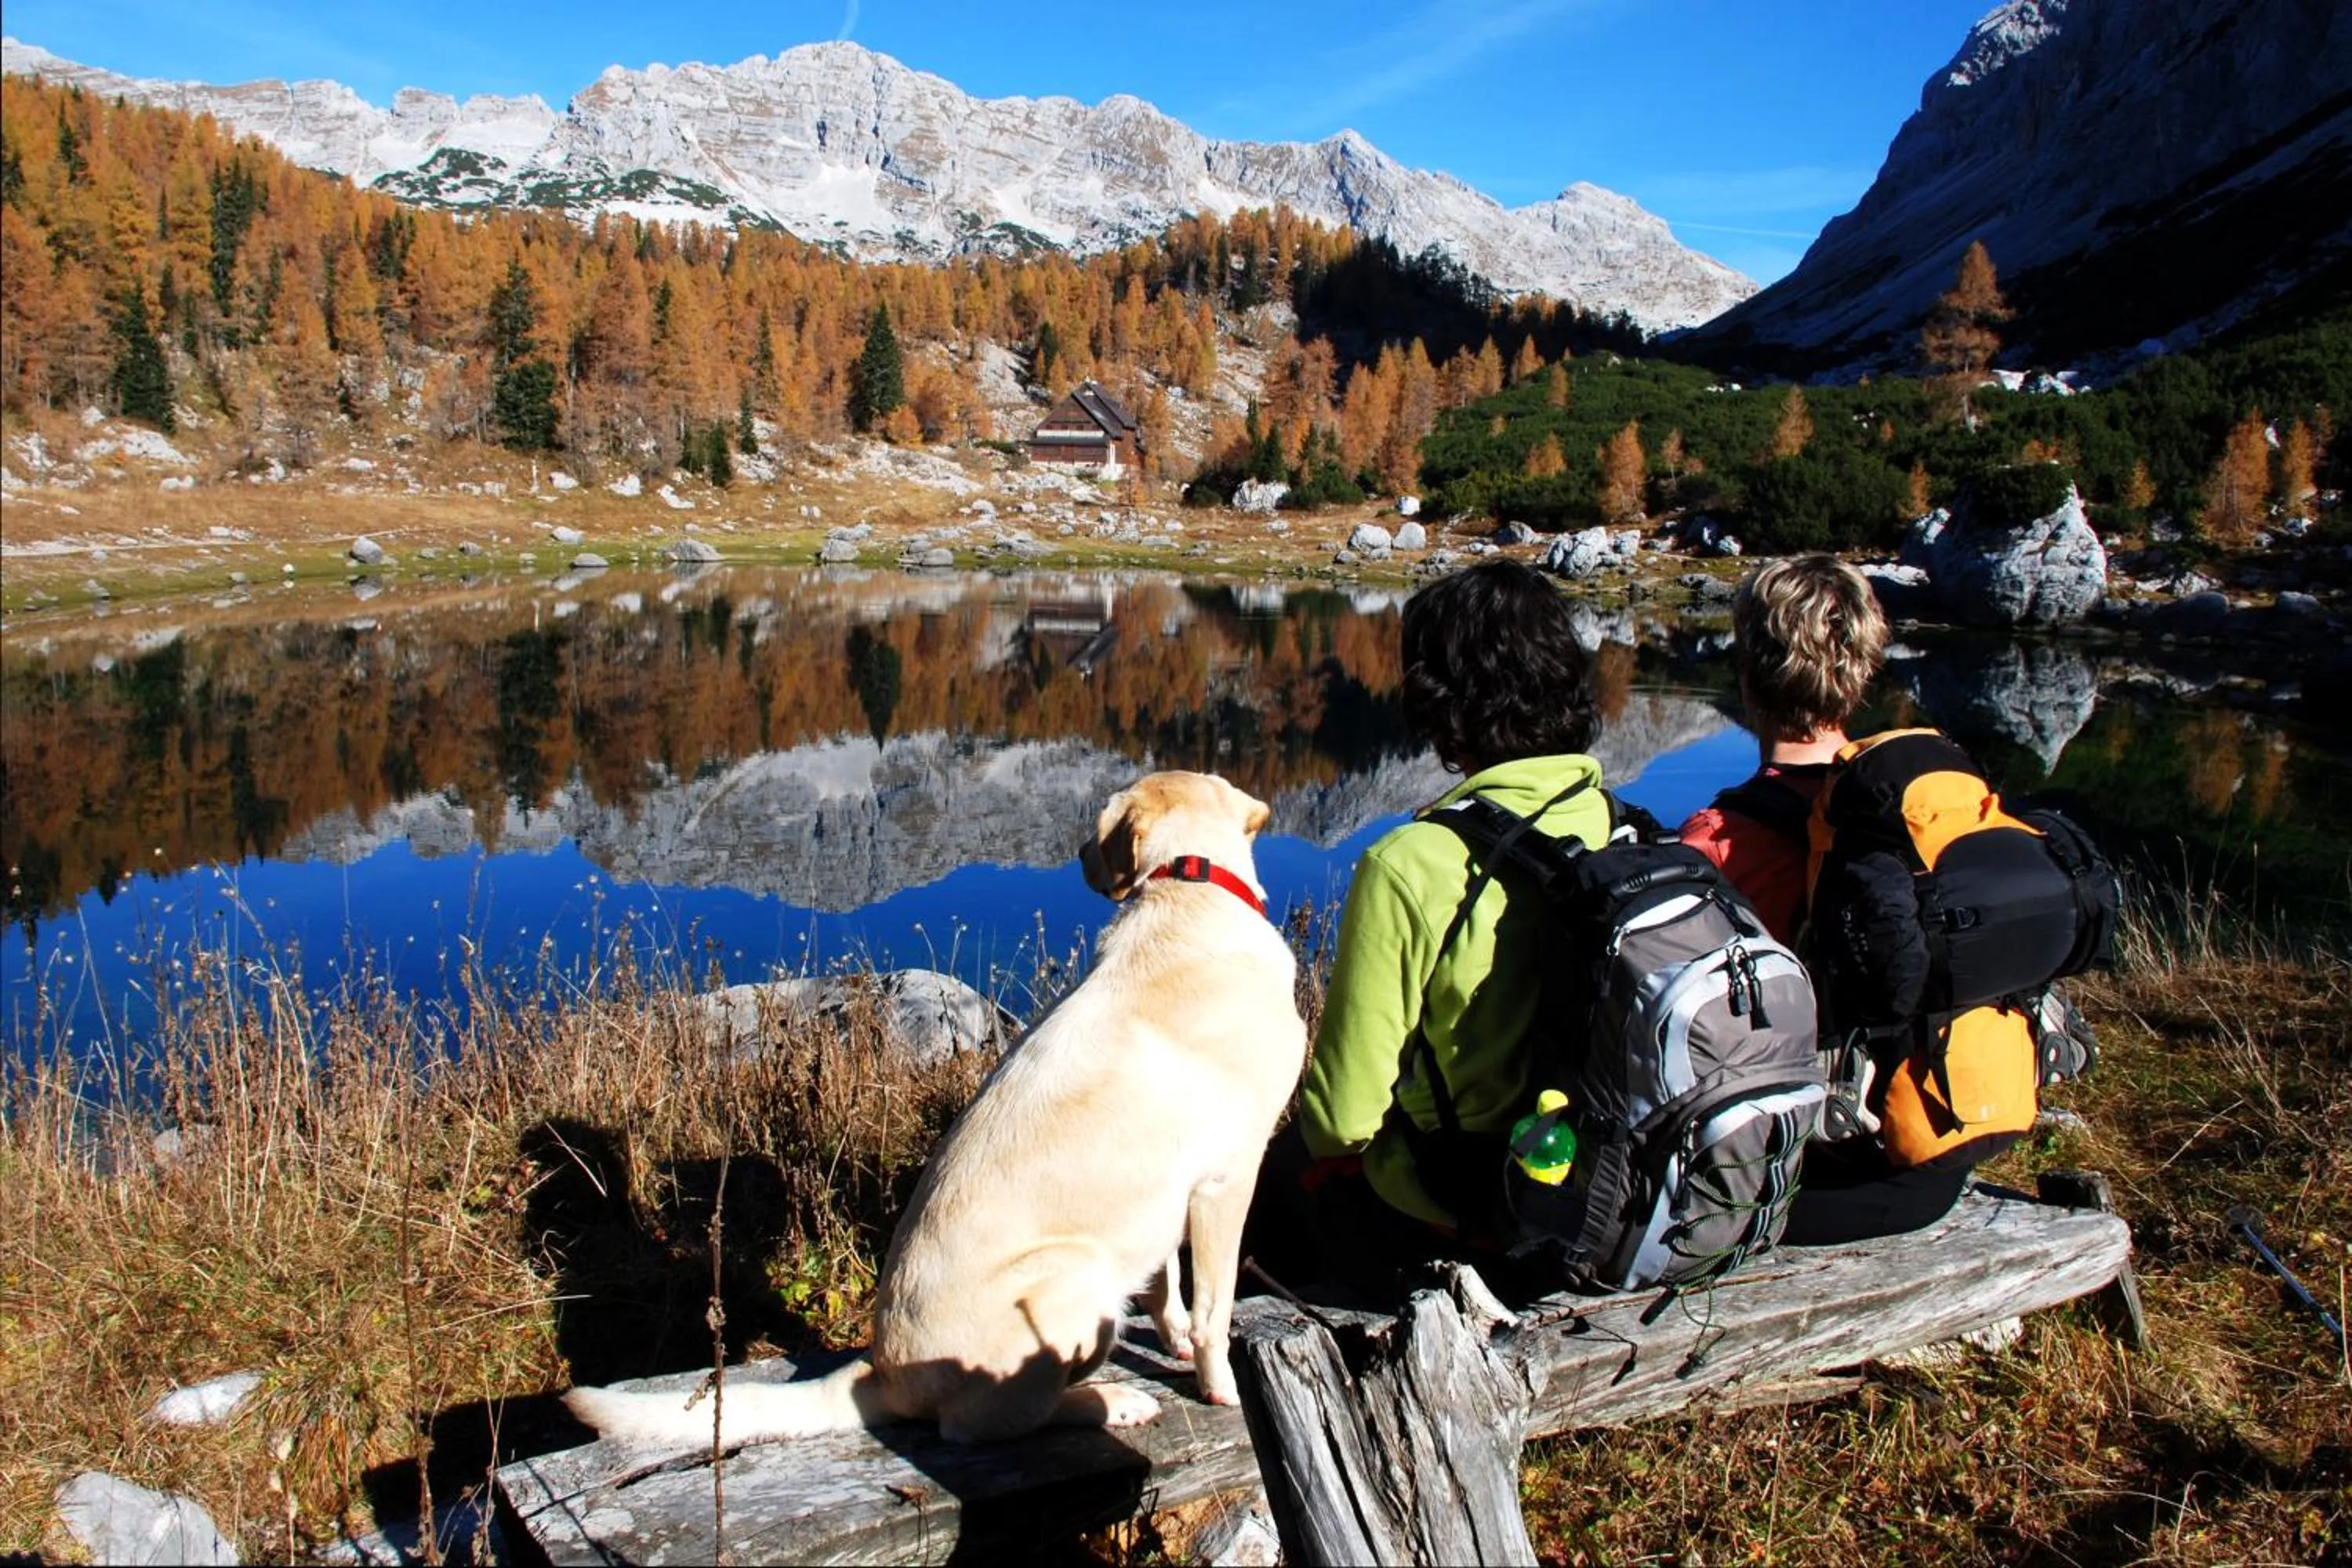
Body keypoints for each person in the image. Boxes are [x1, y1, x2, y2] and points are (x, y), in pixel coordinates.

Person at [1247, 558, 1612, 1300]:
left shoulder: (1412, 864)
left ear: (1441, 702)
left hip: (1466, 1217)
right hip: (1601, 1192)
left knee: (1257, 1188)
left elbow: (1345, 1121)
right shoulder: (1623, 829)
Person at [1676, 553, 1975, 1245]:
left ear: (1748, 674)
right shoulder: (1923, 809)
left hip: (1799, 1182)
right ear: (1864, 668)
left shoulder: (1718, 844)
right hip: (1933, 1160)